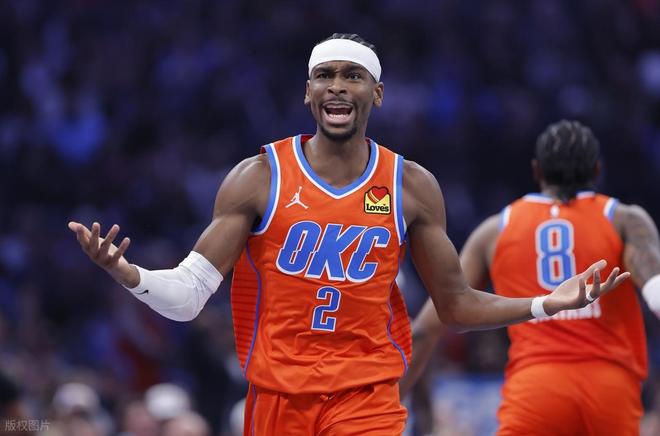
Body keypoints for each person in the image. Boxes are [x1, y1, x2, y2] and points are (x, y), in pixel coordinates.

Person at [68, 35, 628, 435]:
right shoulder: (259, 177)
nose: (337, 86)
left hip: (367, 395)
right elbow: (189, 297)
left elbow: (455, 305)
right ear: (307, 92)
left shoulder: (411, 186)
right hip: (277, 397)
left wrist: (544, 303)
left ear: (376, 93)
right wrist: (130, 274)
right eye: (326, 75)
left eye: (352, 76)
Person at [400, 120, 660, 436]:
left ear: (537, 170)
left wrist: (388, 403)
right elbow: (656, 293)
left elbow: (427, 329)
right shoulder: (625, 219)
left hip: (535, 388)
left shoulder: (496, 230)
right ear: (596, 170)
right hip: (610, 388)